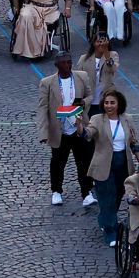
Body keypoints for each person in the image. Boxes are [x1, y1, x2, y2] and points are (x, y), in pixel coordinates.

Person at [37, 53, 93, 207]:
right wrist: (43, 132)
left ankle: (86, 192)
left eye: (69, 62)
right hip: (60, 129)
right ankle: (56, 191)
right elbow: (43, 108)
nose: (68, 66)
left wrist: (83, 102)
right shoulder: (47, 83)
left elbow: (89, 96)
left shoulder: (82, 77)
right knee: (57, 162)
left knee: (83, 162)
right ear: (57, 65)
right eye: (64, 63)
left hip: (78, 127)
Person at [83, 90, 139, 242]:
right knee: (108, 197)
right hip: (103, 164)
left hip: (123, 163)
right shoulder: (97, 119)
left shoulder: (127, 119)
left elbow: (133, 141)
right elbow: (88, 134)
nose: (109, 106)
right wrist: (79, 127)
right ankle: (110, 231)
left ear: (119, 103)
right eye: (106, 102)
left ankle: (105, 218)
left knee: (119, 194)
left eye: (112, 102)